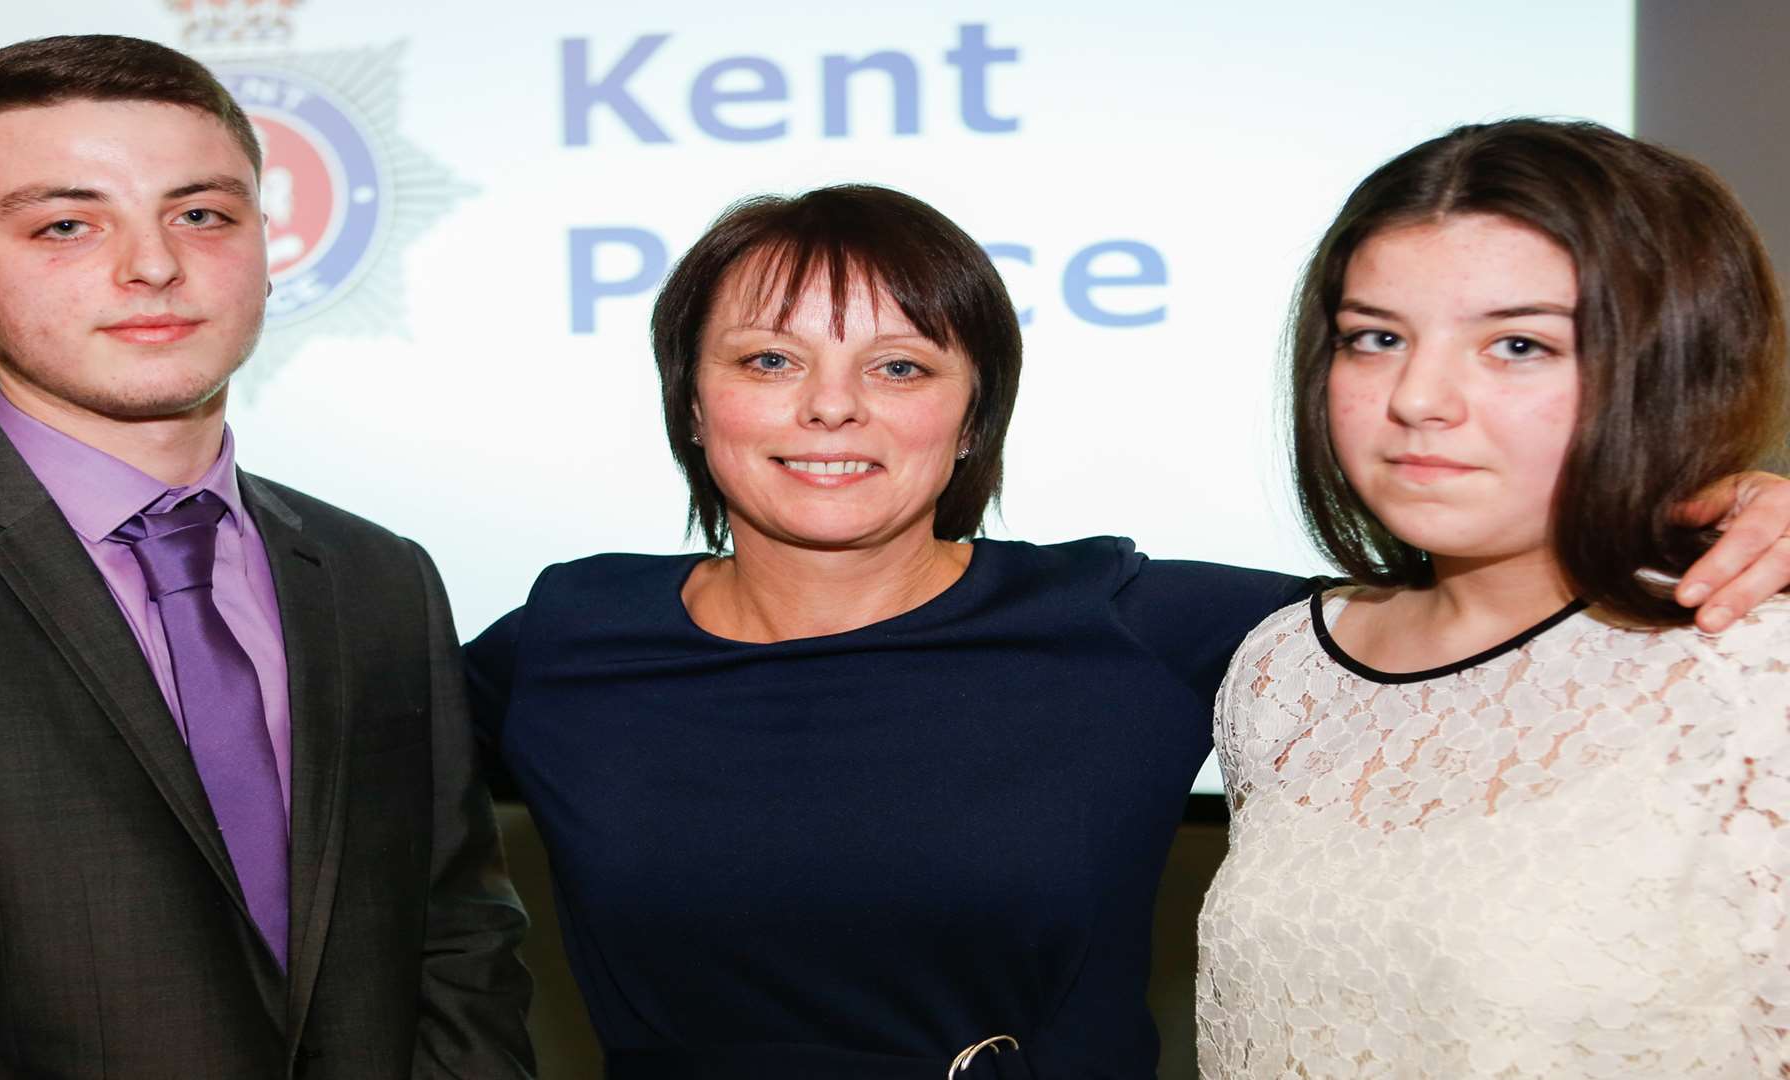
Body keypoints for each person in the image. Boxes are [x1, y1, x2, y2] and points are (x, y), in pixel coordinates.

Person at [467, 182, 1790, 1078]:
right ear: (692, 402)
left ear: (974, 415)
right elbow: (300, 755)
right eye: (768, 361)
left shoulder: (1136, 623)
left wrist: (1722, 510)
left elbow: (1494, 610)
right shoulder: (573, 633)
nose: (832, 409)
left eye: (901, 366)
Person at [0, 35, 534, 1078]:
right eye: (66, 224)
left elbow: (457, 937)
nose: (153, 264)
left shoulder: (378, 578)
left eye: (201, 214)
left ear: (265, 247)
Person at [1198, 118, 1790, 1077]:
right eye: (1376, 337)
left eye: (1517, 344)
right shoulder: (1283, 670)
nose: (1419, 397)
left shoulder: (1753, 671)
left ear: (1671, 363)